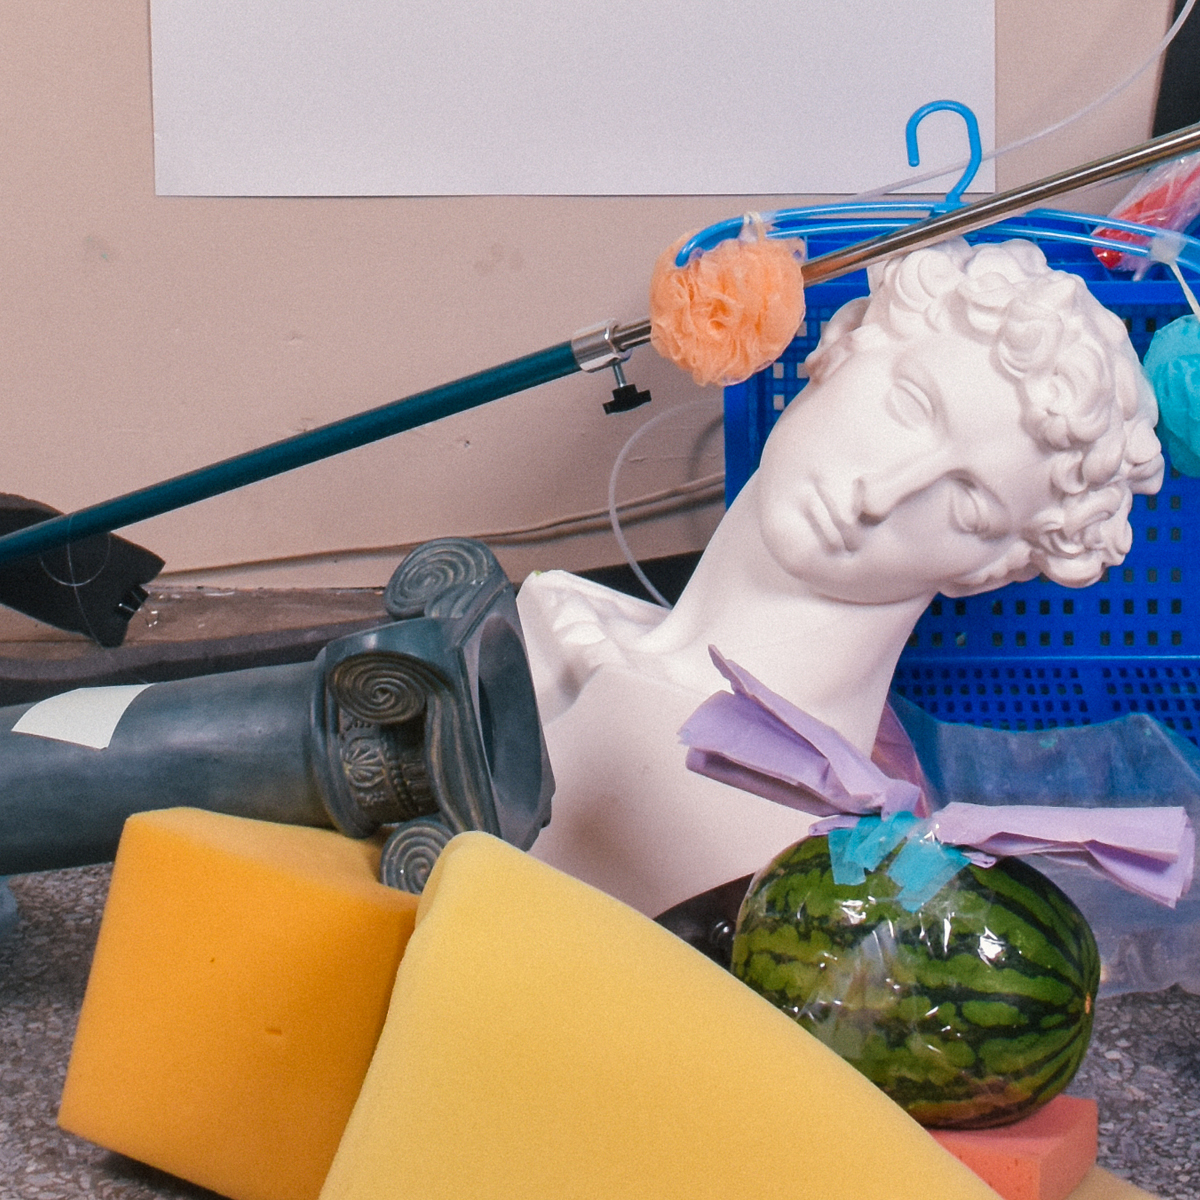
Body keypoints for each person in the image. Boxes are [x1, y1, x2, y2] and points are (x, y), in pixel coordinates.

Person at [517, 237, 1164, 917]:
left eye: (968, 507)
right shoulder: (593, 628)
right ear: (843, 348)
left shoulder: (738, 793)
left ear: (987, 570)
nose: (882, 493)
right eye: (911, 406)